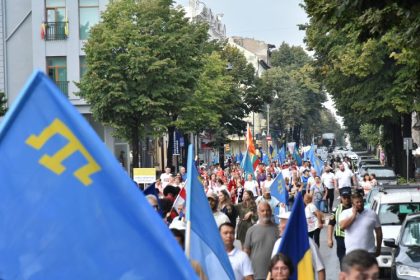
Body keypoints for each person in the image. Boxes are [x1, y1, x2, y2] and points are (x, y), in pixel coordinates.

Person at [271, 211, 326, 280]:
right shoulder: (278, 243)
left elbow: (320, 268)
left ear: (290, 225)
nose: (279, 226)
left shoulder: (308, 242)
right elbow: (273, 268)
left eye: (282, 222)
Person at [243, 202, 279, 280]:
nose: (265, 213)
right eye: (262, 211)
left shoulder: (278, 229)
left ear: (271, 212)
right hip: (256, 275)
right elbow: (246, 254)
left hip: (275, 275)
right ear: (258, 212)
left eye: (267, 210)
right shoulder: (251, 230)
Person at [327, 188, 352, 268]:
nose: (347, 199)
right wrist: (329, 239)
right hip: (341, 238)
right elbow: (331, 224)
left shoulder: (355, 208)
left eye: (348, 197)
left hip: (353, 238)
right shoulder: (336, 209)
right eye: (344, 197)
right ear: (341, 197)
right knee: (342, 259)